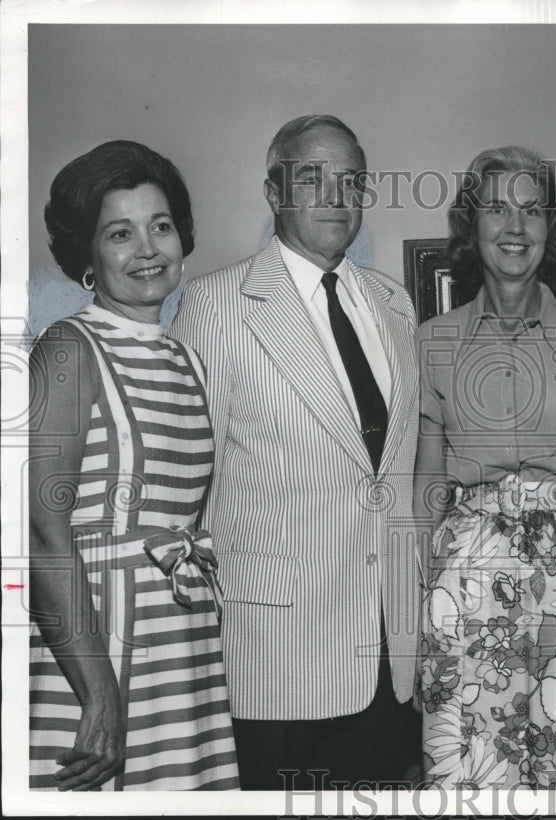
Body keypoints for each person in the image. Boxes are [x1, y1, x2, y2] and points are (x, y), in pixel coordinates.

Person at [170, 115, 421, 790]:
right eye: (313, 177)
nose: (336, 196)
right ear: (274, 190)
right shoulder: (217, 306)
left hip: (385, 651)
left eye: (351, 181)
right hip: (274, 653)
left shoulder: (395, 306)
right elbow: (193, 489)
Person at [414, 146, 556, 788]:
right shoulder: (432, 342)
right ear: (470, 226)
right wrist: (410, 624)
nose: (514, 227)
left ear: (551, 227)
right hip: (462, 594)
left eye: (532, 210)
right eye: (496, 209)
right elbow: (426, 492)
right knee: (474, 775)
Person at [28, 140, 240, 790]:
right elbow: (40, 533)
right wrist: (98, 691)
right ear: (88, 256)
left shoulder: (187, 360)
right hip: (100, 651)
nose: (146, 249)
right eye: (120, 233)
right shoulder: (68, 348)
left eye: (161, 226)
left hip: (183, 652)